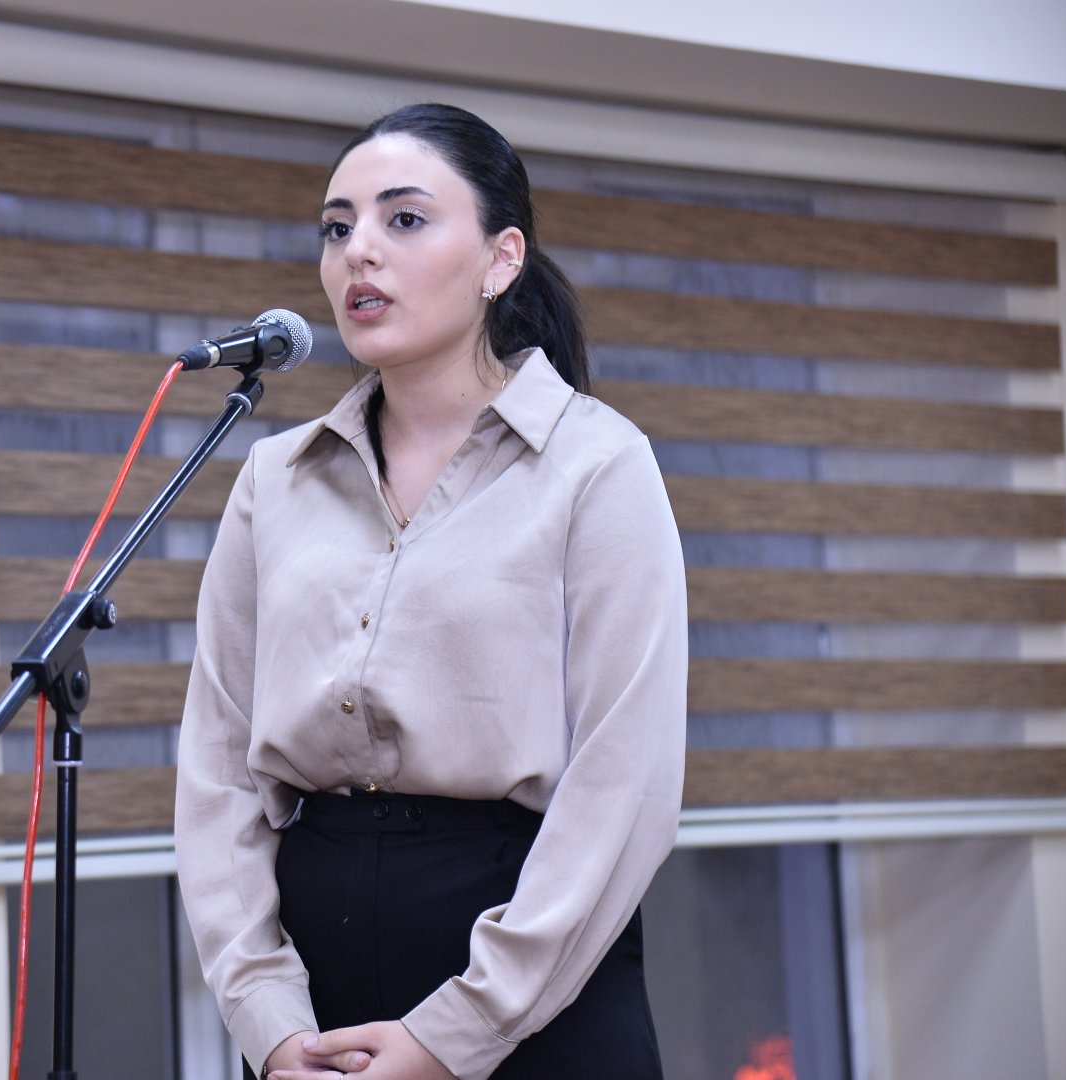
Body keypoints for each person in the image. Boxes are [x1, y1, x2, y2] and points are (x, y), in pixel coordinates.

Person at [174, 103, 687, 1080]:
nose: (358, 251)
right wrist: (268, 1021)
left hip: (532, 981)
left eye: (403, 219)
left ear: (501, 259)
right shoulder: (274, 479)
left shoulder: (598, 464)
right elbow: (217, 770)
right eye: (337, 228)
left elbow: (625, 785)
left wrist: (457, 1033)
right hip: (313, 1001)